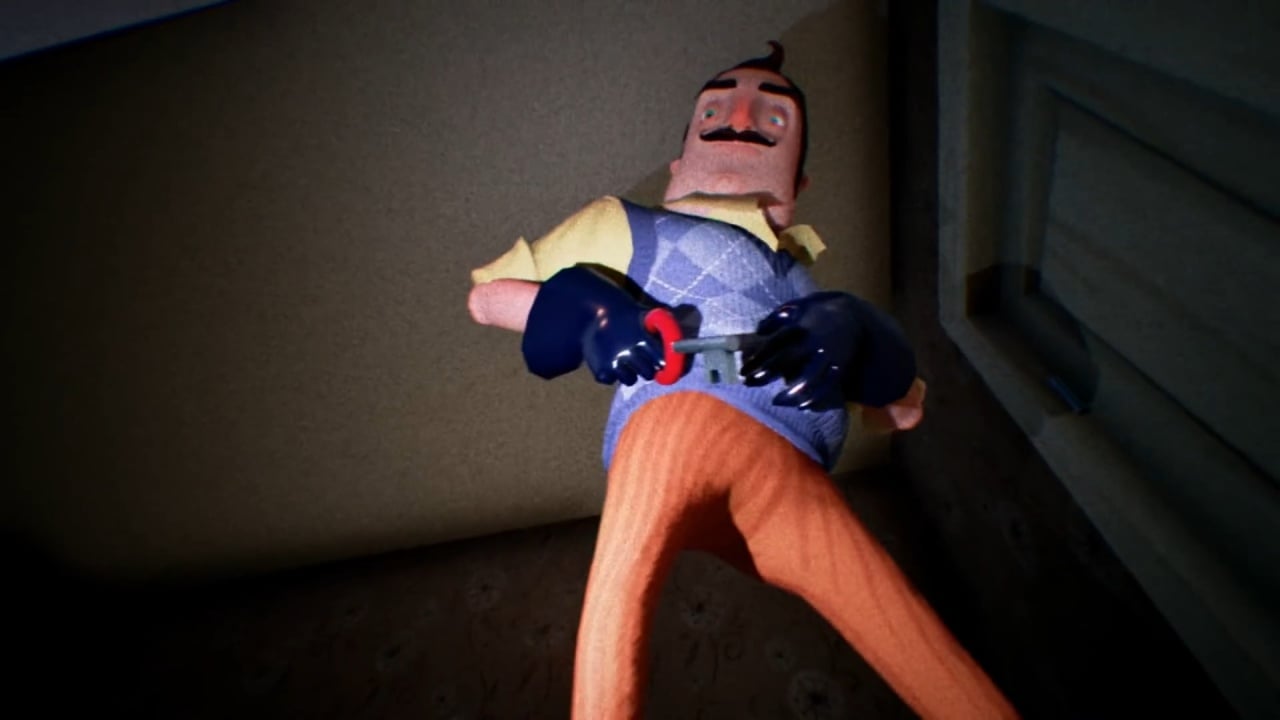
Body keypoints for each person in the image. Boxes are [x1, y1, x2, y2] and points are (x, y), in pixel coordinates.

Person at [468, 42, 1016, 720]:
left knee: (917, 641)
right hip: (673, 419)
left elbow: (901, 407)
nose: (741, 119)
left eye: (774, 118)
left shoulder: (800, 279)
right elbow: (488, 298)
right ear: (677, 164)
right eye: (714, 110)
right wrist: (587, 311)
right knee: (617, 605)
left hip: (795, 476)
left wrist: (853, 327)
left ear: (798, 184)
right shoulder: (628, 226)